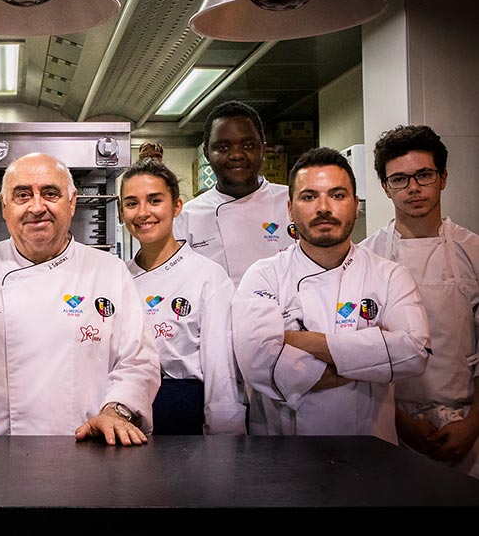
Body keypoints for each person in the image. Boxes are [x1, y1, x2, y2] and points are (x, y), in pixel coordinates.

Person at [0, 153, 160, 446]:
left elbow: (138, 362)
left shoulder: (110, 272)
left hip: (88, 447)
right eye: (23, 195)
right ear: (4, 206)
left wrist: (116, 412)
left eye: (50, 193)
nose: (37, 207)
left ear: (72, 202)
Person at [232, 147, 430, 442]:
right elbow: (259, 364)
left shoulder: (389, 275)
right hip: (284, 455)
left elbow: (414, 352)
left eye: (337, 195)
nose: (323, 207)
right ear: (290, 209)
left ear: (356, 204)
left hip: (370, 451)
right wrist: (372, 360)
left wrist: (302, 340)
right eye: (309, 197)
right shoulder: (264, 275)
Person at [362, 125, 479, 477]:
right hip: (390, 424)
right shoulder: (366, 257)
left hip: (467, 426)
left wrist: (472, 425)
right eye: (399, 179)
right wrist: (400, 421)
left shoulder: (473, 251)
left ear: (443, 178)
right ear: (385, 187)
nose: (413, 188)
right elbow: (361, 352)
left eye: (424, 175)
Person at [120, 151, 244, 435]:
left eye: (155, 200)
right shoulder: (119, 277)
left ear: (177, 206)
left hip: (184, 414)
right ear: (121, 211)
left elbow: (220, 370)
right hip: (126, 414)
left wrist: (224, 437)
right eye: (131, 203)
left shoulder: (207, 276)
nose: (143, 213)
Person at [174, 100, 295, 286]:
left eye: (248, 145)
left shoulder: (293, 202)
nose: (236, 155)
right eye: (223, 147)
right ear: (206, 153)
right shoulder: (186, 218)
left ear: (263, 149)